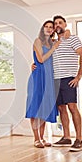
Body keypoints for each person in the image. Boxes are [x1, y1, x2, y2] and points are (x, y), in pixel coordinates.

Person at [51, 15, 82, 152]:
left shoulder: (72, 38)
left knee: (72, 107)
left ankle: (79, 139)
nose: (57, 25)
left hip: (68, 78)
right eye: (55, 23)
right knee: (61, 109)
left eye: (60, 22)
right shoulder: (53, 42)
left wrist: (78, 76)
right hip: (56, 79)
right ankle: (66, 137)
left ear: (65, 24)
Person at [26, 20, 61, 148]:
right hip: (38, 77)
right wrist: (53, 48)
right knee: (36, 108)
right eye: (46, 26)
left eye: (51, 27)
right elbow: (40, 59)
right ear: (42, 29)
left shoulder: (52, 42)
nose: (48, 29)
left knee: (45, 108)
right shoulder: (38, 41)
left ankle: (42, 137)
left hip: (49, 78)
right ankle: (36, 139)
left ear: (53, 30)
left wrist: (54, 46)